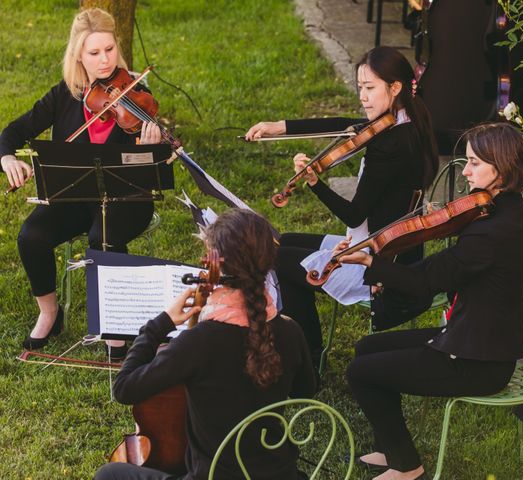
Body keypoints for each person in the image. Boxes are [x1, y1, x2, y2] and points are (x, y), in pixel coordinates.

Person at [339, 122, 523, 480]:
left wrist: (372, 261)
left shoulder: (490, 233)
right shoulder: (513, 212)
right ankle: (390, 444)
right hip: (474, 338)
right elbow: (451, 261)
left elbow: (425, 281)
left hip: (476, 360)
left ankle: (407, 466)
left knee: (360, 373)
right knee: (367, 348)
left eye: (475, 163)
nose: (465, 170)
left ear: (502, 168)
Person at [245, 46, 439, 366]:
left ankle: (306, 357)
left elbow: (354, 214)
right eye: (359, 87)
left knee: (278, 259)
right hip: (393, 246)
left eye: (370, 88)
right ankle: (303, 347)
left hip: (378, 263)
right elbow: (343, 124)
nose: (362, 97)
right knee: (285, 240)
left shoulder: (389, 146)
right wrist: (278, 126)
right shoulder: (404, 120)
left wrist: (314, 183)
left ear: (395, 88)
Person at [94, 209, 316, 480]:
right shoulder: (290, 330)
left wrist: (159, 325)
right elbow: (306, 390)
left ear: (217, 267)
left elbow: (124, 388)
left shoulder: (198, 343)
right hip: (280, 475)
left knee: (110, 474)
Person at [0, 8, 162, 353]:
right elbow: (13, 131)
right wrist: (8, 157)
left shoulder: (135, 93)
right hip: (75, 197)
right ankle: (50, 313)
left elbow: (151, 167)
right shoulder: (65, 95)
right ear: (78, 56)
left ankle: (115, 324)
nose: (105, 61)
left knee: (101, 238)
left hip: (126, 199)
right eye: (94, 53)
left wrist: (149, 148)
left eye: (109, 49)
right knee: (31, 236)